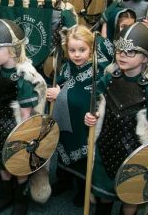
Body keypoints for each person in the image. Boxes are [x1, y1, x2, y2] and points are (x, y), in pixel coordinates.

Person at [84, 22, 148, 215]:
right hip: (106, 146)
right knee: (103, 195)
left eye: (131, 52)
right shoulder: (110, 77)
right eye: (120, 51)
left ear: (145, 58)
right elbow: (96, 103)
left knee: (130, 200)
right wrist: (91, 116)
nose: (123, 55)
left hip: (135, 154)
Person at [0, 19, 47, 215]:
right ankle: (5, 196)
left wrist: (23, 136)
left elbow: (26, 113)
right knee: (0, 162)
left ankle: (21, 199)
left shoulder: (23, 77)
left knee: (17, 164)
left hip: (15, 127)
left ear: (12, 49)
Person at [46, 25, 110, 207]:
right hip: (66, 118)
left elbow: (87, 96)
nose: (77, 55)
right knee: (63, 144)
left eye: (82, 50)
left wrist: (62, 94)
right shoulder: (68, 66)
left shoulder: (99, 69)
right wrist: (55, 89)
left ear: (91, 48)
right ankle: (65, 180)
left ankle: (84, 189)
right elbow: (61, 82)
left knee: (83, 156)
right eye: (72, 50)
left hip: (85, 122)